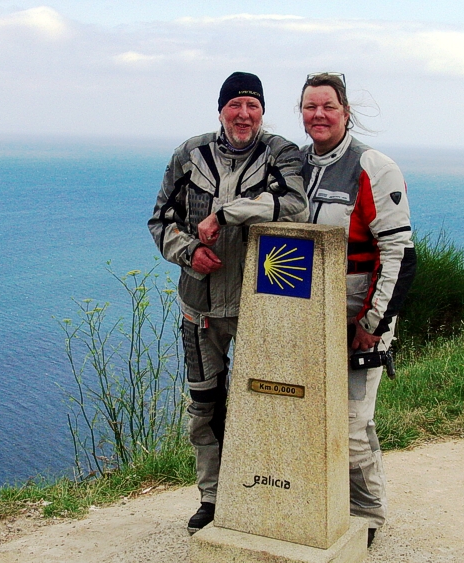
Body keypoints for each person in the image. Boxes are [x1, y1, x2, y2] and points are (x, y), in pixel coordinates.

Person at [148, 71, 309, 535]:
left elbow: (293, 203)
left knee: (268, 402)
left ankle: (269, 492)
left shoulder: (280, 153)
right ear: (221, 110)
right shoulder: (188, 155)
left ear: (262, 111)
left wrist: (226, 213)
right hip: (199, 307)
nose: (243, 114)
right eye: (235, 105)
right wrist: (188, 252)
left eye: (252, 106)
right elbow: (160, 221)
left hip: (260, 307)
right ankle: (213, 497)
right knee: (204, 405)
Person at [297, 72, 417, 548]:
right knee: (309, 417)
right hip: (307, 318)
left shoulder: (373, 166)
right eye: (310, 107)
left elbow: (400, 255)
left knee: (350, 422)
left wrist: (372, 325)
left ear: (346, 111)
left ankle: (367, 515)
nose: (319, 115)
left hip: (359, 319)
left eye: (328, 106)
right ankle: (323, 504)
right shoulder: (294, 164)